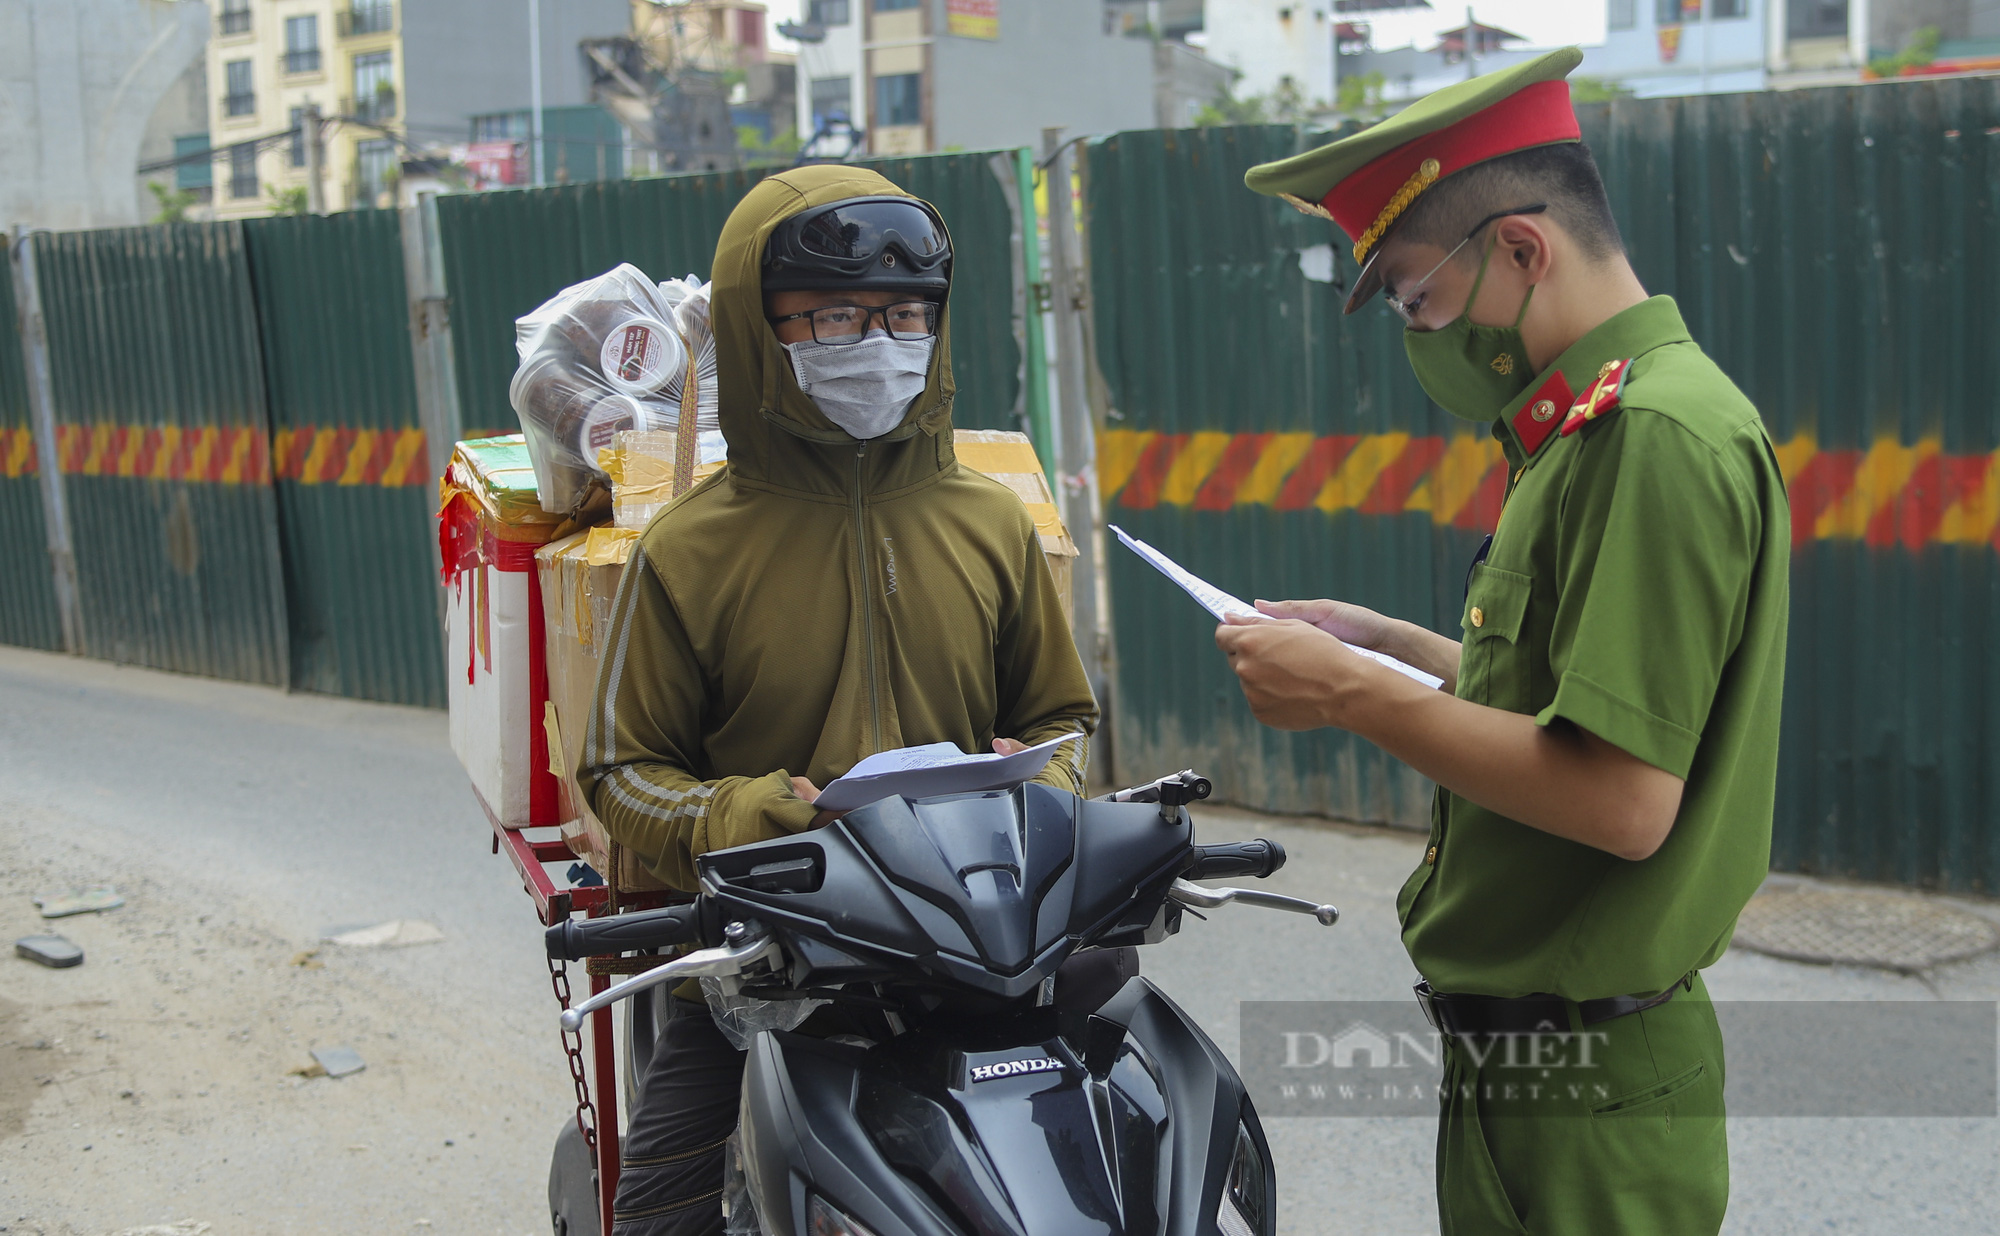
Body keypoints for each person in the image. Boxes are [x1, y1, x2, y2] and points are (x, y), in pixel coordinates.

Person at [1218, 48, 1790, 1235]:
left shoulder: (1652, 438)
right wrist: (1382, 645)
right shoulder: (1583, 431)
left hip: (1590, 1089)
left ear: (1521, 250)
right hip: (1535, 1068)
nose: (1416, 333)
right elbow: (1559, 698)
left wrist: (1346, 697)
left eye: (1419, 299)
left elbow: (1622, 798)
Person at [577, 165, 1098, 1235]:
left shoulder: (989, 522)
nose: (878, 342)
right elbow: (623, 776)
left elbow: (1063, 719)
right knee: (657, 1219)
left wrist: (1039, 780)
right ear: (755, 329)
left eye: (906, 314)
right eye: (832, 316)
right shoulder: (686, 548)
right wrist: (764, 818)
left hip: (984, 948)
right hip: (762, 963)